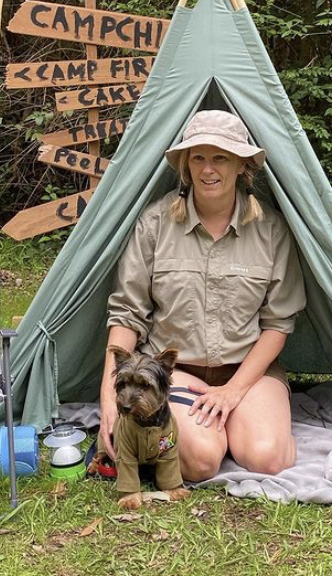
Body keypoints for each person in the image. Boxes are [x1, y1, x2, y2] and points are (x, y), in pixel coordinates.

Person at [99, 110, 307, 481]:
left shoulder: (270, 229)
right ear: (185, 164)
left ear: (242, 164)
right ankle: (211, 435)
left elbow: (278, 323)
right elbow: (127, 314)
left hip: (247, 370)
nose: (208, 169)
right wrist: (108, 398)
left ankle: (241, 425)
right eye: (198, 157)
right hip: (172, 372)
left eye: (220, 157)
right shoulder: (155, 224)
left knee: (268, 459)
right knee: (201, 461)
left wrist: (232, 393)